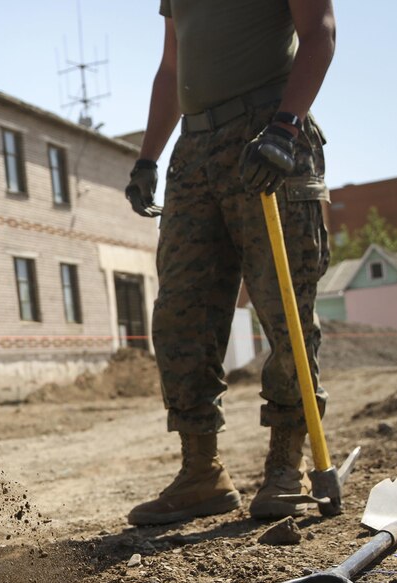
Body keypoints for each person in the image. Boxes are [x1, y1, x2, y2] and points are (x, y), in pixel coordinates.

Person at [123, 1, 336, 525]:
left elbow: (320, 33)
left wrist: (286, 128)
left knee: (285, 309)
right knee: (180, 313)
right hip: (193, 149)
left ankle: (285, 467)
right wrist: (149, 156)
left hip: (268, 132)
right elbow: (172, 68)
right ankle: (202, 473)